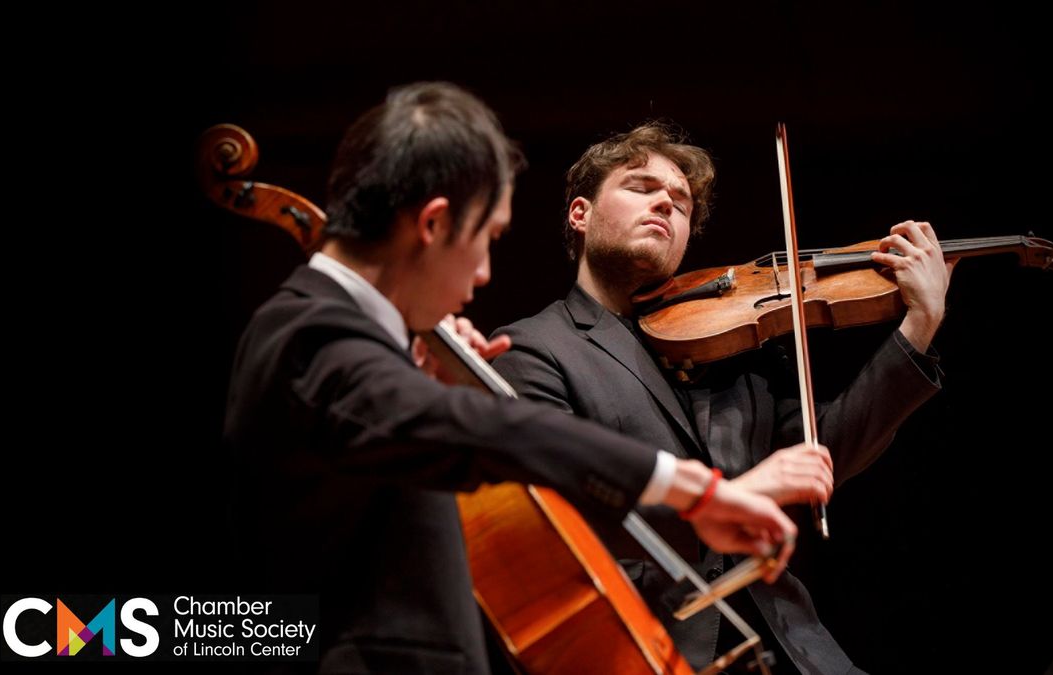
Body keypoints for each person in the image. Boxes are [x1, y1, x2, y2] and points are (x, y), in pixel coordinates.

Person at [223, 85, 798, 674]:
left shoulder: (339, 342)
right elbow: (483, 427)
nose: (485, 274)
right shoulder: (311, 334)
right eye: (489, 240)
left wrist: (420, 374)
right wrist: (691, 489)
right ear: (433, 224)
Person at [491, 122, 953, 674]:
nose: (665, 200)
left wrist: (919, 326)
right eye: (641, 186)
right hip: (655, 645)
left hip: (795, 648)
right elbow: (565, 525)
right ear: (581, 214)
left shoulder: (734, 347)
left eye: (681, 203)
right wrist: (737, 493)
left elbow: (825, 452)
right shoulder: (535, 348)